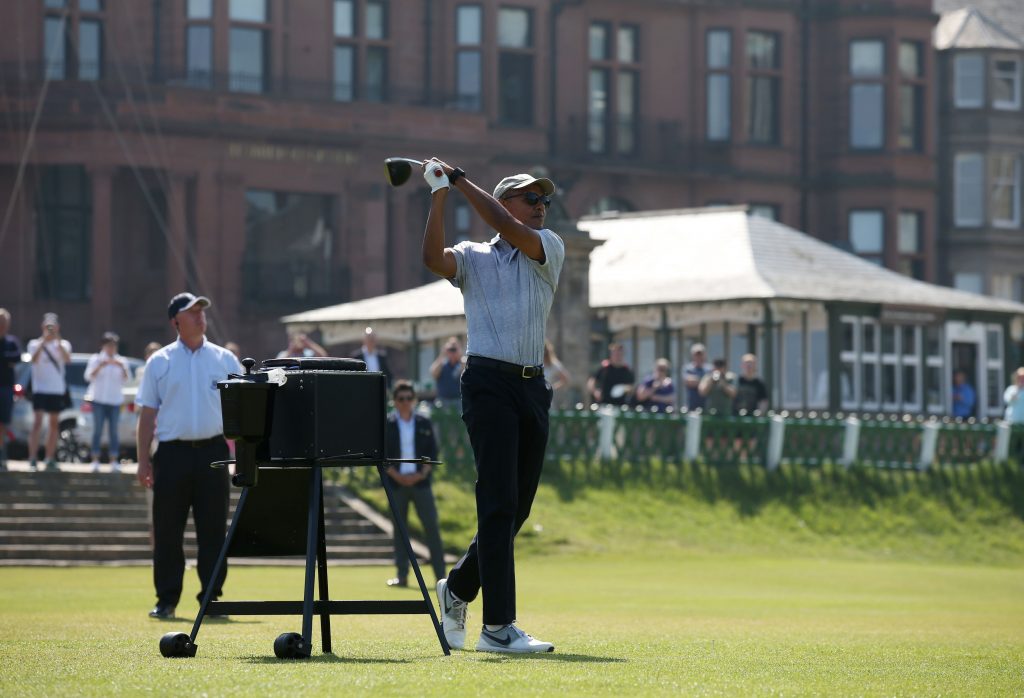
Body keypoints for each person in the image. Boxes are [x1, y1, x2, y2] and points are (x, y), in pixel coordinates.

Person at [421, 157, 563, 654]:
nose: (541, 206)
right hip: (486, 383)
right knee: (498, 503)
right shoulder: (474, 256)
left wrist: (457, 179)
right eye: (531, 198)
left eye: (544, 200)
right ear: (505, 200)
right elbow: (434, 260)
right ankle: (498, 628)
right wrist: (440, 192)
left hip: (531, 387)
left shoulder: (549, 246)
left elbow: (503, 224)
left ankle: (457, 587)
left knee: (516, 508)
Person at [136, 292, 242, 620]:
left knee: (213, 531)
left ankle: (211, 598)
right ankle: (166, 599)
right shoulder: (160, 362)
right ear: (175, 321)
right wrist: (143, 460)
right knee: (168, 531)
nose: (199, 316)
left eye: (201, 311)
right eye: (191, 312)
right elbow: (147, 415)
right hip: (171, 454)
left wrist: (243, 455)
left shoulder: (224, 359)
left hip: (213, 451)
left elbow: (243, 409)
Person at [383, 380, 446, 588]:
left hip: (421, 483)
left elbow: (433, 452)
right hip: (397, 483)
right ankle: (402, 575)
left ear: (414, 399)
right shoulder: (388, 424)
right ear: (395, 401)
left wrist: (421, 474)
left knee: (431, 527)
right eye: (401, 399)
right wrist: (396, 475)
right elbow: (382, 456)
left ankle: (442, 578)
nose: (405, 402)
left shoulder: (423, 422)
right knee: (400, 531)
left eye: (409, 398)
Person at [26, 312, 71, 472]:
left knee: (54, 424)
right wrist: (44, 341)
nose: (50, 329)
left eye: (53, 326)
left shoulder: (63, 344)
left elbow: (67, 359)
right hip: (40, 389)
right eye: (47, 326)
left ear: (58, 327)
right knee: (37, 423)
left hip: (56, 390)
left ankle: (49, 457)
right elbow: (33, 359)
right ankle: (32, 458)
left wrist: (57, 339)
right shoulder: (34, 343)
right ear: (42, 327)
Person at [85, 332, 129, 473]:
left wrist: (121, 367)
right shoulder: (96, 359)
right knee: (97, 430)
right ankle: (95, 460)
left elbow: (127, 380)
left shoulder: (122, 361)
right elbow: (88, 377)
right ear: (103, 346)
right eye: (108, 345)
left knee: (114, 432)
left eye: (113, 345)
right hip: (98, 400)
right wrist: (101, 366)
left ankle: (114, 460)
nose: (111, 348)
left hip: (115, 401)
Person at [0, 309, 21, 472]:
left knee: (3, 423)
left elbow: (16, 357)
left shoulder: (11, 341)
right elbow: (9, 359)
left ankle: (1, 455)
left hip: (6, 388)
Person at [587, 342, 635, 407]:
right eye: (614, 353)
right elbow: (591, 381)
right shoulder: (604, 368)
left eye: (619, 354)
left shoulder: (627, 371)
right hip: (603, 405)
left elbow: (631, 388)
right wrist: (595, 392)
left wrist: (623, 389)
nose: (617, 356)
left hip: (620, 406)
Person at [430, 337, 464, 407]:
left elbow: (467, 372)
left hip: (459, 401)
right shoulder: (442, 364)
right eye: (451, 349)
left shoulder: (463, 363)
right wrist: (443, 354)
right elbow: (433, 373)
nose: (452, 351)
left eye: (454, 349)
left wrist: (460, 355)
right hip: (442, 401)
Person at [543, 339, 571, 406]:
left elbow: (566, 379)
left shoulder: (553, 364)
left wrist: (552, 387)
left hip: (545, 397)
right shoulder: (535, 363)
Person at [683, 343, 709, 410]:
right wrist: (705, 381)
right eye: (696, 355)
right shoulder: (688, 368)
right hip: (691, 406)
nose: (699, 357)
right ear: (693, 355)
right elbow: (688, 381)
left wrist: (697, 380)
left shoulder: (709, 369)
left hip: (706, 406)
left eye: (700, 354)